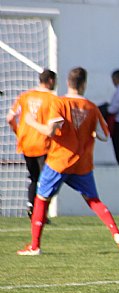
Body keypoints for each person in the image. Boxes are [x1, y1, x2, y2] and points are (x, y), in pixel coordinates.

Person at [17, 67, 119, 256]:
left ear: (68, 83)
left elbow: (51, 131)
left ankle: (35, 246)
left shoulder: (60, 103)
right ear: (84, 84)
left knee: (41, 198)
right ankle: (116, 233)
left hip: (59, 161)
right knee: (94, 201)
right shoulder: (91, 107)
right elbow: (104, 136)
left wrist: (31, 121)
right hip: (82, 163)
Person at [6, 69, 57, 219]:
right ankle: (40, 213)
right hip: (43, 143)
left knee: (33, 178)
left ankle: (31, 205)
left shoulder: (25, 96)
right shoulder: (52, 99)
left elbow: (10, 118)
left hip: (26, 143)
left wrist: (19, 133)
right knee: (46, 179)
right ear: (51, 81)